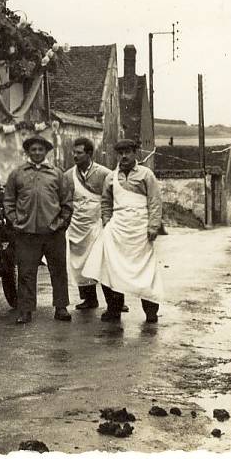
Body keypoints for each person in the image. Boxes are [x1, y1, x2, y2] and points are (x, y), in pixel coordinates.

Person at [82, 138, 165, 323]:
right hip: (117, 228)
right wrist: (107, 222)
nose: (124, 156)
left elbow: (154, 201)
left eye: (128, 152)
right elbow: (106, 202)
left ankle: (150, 311)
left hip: (140, 230)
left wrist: (153, 226)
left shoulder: (146, 175)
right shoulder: (111, 177)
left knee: (145, 270)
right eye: (120, 153)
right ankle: (114, 309)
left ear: (135, 153)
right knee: (109, 267)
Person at [3, 134, 74, 324]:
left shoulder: (57, 174)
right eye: (33, 149)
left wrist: (60, 224)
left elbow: (66, 202)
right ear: (27, 152)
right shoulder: (17, 173)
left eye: (40, 149)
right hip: (26, 233)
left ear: (46, 152)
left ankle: (61, 307)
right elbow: (9, 200)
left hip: (53, 232)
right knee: (26, 272)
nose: (36, 153)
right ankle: (25, 310)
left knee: (58, 270)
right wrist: (15, 220)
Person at [65, 137, 121, 311]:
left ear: (89, 154)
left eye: (79, 153)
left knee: (104, 263)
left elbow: (112, 198)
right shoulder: (68, 175)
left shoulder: (104, 173)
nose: (75, 156)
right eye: (73, 152)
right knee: (80, 263)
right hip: (77, 225)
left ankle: (117, 302)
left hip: (98, 223)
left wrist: (109, 221)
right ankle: (89, 299)